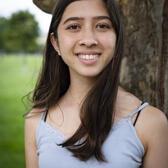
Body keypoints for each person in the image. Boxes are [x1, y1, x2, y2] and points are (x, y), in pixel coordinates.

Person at [25, 0, 168, 167]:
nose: (89, 40)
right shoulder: (36, 121)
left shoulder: (150, 122)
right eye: (73, 27)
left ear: (117, 38)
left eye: (102, 26)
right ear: (55, 42)